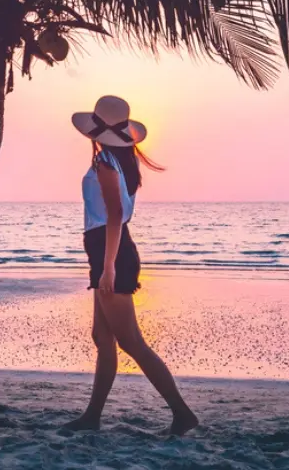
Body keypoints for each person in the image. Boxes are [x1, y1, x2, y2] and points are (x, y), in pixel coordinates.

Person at [61, 95, 199, 436]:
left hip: (112, 251)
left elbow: (115, 216)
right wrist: (104, 263)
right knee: (102, 336)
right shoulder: (117, 161)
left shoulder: (106, 164)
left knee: (131, 342)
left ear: (95, 132)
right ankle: (92, 417)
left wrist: (107, 268)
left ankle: (183, 414)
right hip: (107, 250)